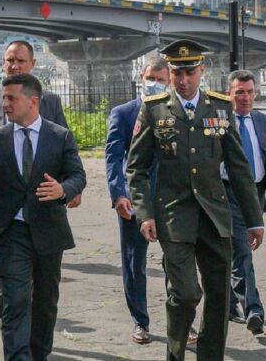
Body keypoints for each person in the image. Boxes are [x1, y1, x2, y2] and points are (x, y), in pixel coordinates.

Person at [127, 39, 264, 361]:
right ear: (170, 73)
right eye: (177, 73)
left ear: (202, 70)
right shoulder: (155, 108)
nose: (184, 80)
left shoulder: (220, 107)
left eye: (190, 72)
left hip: (215, 216)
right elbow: (136, 167)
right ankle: (175, 354)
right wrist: (145, 213)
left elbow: (239, 167)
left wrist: (254, 219)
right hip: (174, 217)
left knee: (219, 296)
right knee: (186, 293)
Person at [0, 73, 86, 360]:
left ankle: (39, 353)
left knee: (45, 302)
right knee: (16, 300)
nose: (5, 104)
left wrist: (63, 190)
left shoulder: (59, 136)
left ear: (33, 101)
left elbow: (78, 175)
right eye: (3, 98)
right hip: (11, 232)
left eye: (12, 98)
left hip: (49, 231)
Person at [0, 40, 75, 214]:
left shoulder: (50, 101)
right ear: (3, 62)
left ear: (32, 64)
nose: (15, 66)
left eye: (21, 61)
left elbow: (65, 148)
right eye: (10, 60)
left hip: (43, 198)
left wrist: (70, 188)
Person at [105, 56, 168, 344]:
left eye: (161, 80)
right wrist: (118, 193)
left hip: (170, 199)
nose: (154, 83)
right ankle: (140, 320)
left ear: (169, 82)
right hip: (134, 199)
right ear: (141, 79)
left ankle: (182, 320)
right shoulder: (124, 113)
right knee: (134, 262)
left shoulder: (176, 112)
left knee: (177, 261)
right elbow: (113, 155)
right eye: (150, 78)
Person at [222, 69, 266, 335]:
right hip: (228, 192)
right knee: (242, 251)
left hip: (255, 193)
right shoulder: (220, 123)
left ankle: (227, 303)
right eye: (239, 92)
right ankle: (253, 309)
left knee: (233, 253)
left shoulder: (264, 122)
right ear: (229, 94)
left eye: (250, 92)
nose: (245, 97)